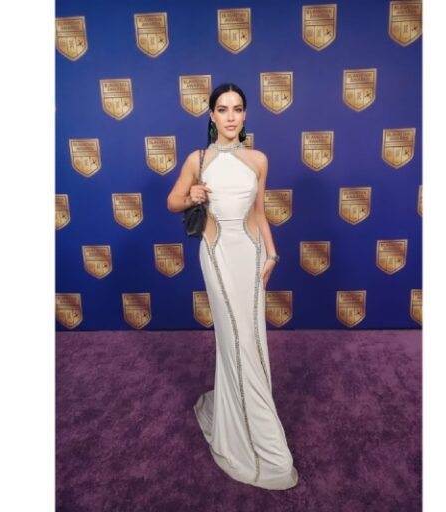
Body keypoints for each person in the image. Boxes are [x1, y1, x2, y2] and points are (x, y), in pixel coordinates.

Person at [166, 83, 299, 490]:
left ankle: (248, 417)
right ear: (211, 115)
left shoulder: (258, 160)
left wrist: (272, 254)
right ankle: (246, 438)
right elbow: (172, 201)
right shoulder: (198, 159)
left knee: (253, 340)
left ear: (245, 115)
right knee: (235, 339)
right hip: (217, 252)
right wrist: (191, 195)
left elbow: (259, 213)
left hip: (252, 254)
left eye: (237, 109)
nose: (230, 116)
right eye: (222, 109)